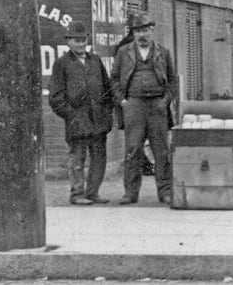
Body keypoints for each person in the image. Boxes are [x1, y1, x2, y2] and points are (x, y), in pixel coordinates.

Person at [111, 12, 177, 205]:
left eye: (146, 30)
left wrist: (166, 100)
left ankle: (165, 191)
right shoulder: (124, 52)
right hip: (134, 105)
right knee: (133, 149)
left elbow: (172, 80)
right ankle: (130, 193)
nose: (143, 35)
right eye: (138, 31)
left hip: (157, 105)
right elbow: (114, 79)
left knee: (161, 150)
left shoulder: (163, 52)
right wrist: (122, 101)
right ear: (133, 32)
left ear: (152, 30)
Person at [49, 20, 116, 204]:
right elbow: (55, 97)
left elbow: (108, 88)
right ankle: (77, 194)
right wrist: (71, 116)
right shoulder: (61, 64)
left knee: (99, 157)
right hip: (77, 119)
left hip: (98, 118)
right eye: (76, 40)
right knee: (77, 158)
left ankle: (93, 192)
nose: (80, 44)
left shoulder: (95, 61)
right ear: (68, 42)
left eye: (83, 40)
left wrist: (107, 112)